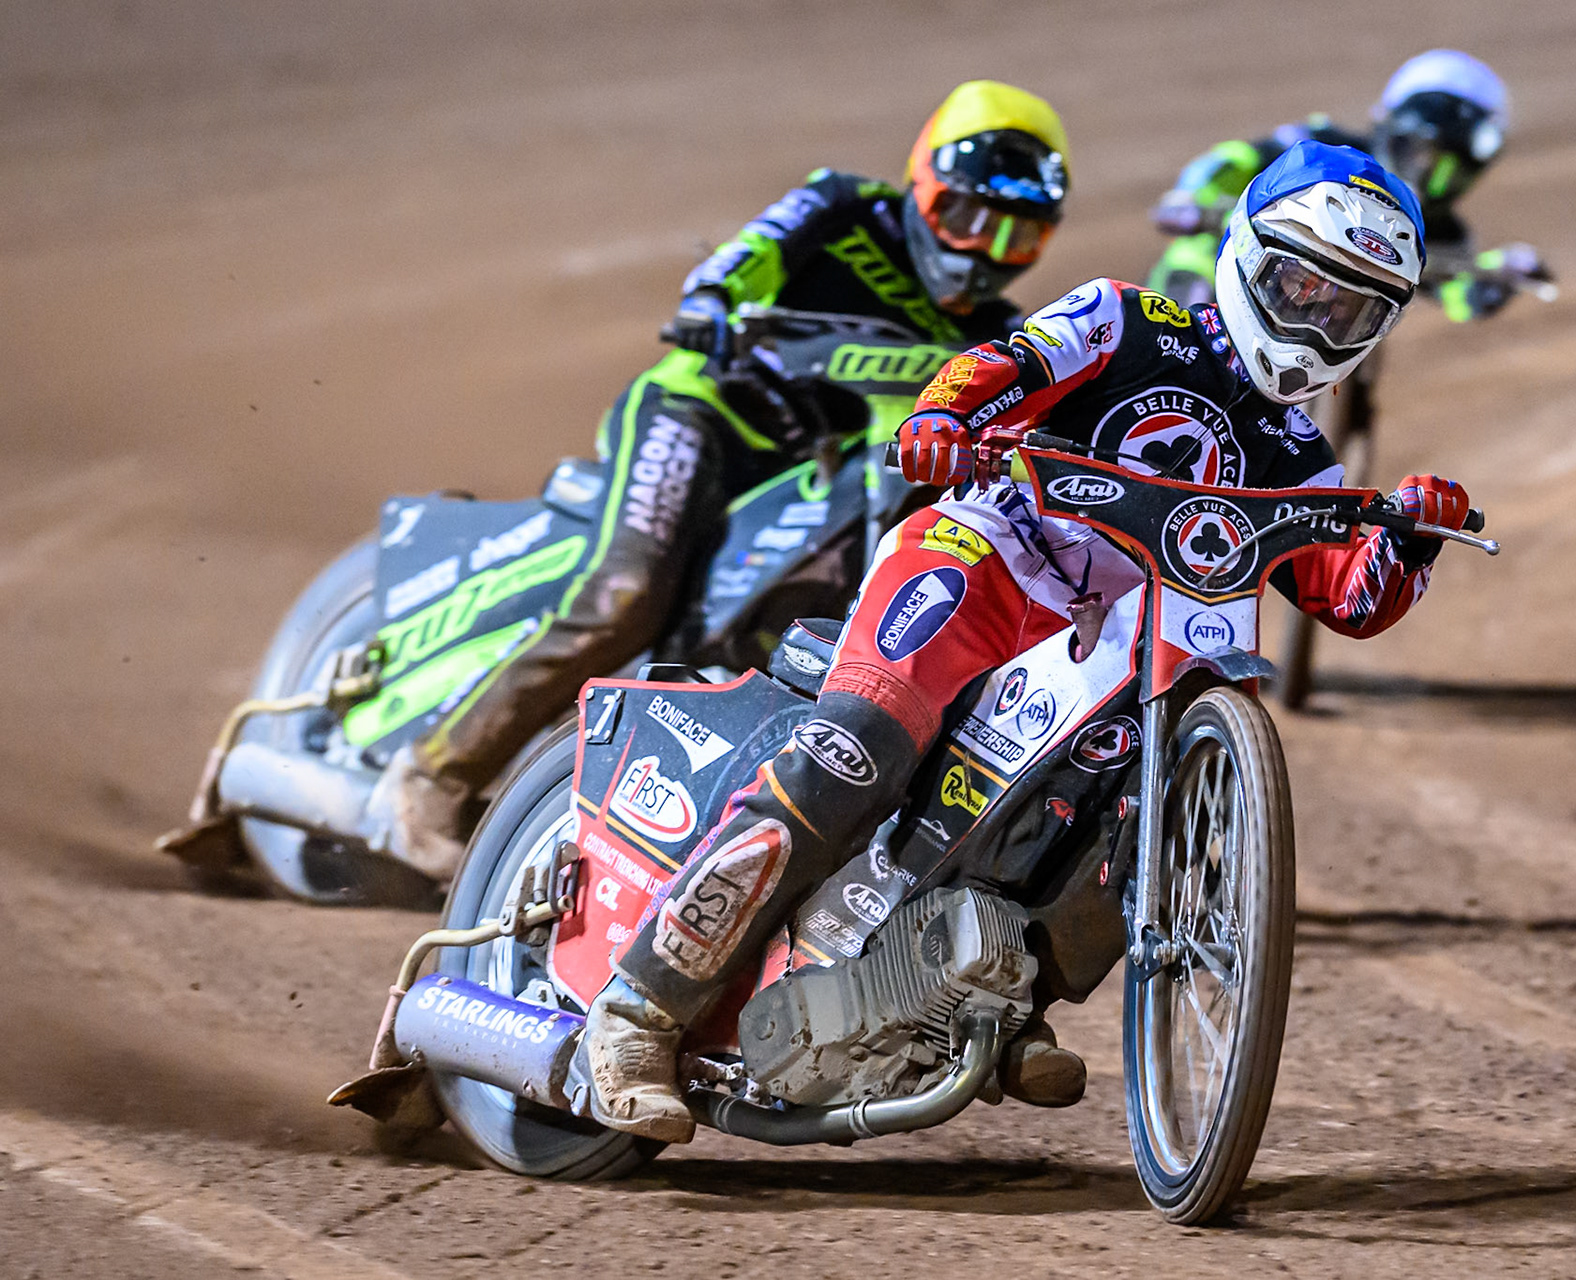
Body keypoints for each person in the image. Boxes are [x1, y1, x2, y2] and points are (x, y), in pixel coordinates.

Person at [582, 141, 1473, 1142]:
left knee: (1135, 811)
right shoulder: (1129, 318)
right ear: (1245, 255)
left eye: (1349, 309)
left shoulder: (1299, 456)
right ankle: (638, 1010)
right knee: (855, 747)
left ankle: (990, 1000)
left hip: (1111, 639)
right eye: (1301, 286)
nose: (1317, 320)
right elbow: (1004, 364)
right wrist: (944, 416)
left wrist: (1410, 536)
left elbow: (1350, 598)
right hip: (985, 559)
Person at [365, 81, 1072, 878]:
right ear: (925, 183)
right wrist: (713, 296)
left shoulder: (994, 336)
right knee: (627, 590)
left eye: (1016, 236)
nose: (983, 250)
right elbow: (752, 251)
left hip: (817, 479)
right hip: (704, 412)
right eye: (970, 217)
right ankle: (428, 777)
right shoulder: (845, 207)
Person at [1147, 49, 1549, 322]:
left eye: (1450, 170)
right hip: (1247, 273)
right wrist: (1193, 196)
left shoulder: (1443, 234)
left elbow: (1456, 291)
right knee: (1196, 255)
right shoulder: (1316, 147)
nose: (1429, 178)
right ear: (1390, 127)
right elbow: (1235, 159)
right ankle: (1169, 343)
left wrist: (1491, 281)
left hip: (1326, 330)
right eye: (1419, 153)